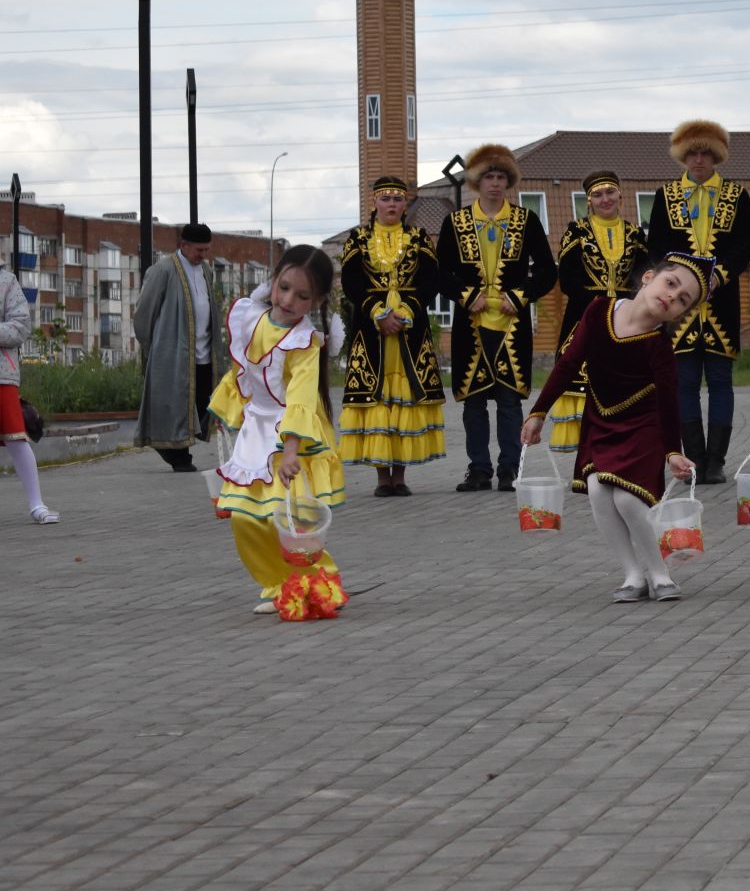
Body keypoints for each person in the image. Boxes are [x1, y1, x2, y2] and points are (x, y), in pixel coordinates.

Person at [523, 253, 713, 603]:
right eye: (670, 284)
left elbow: (670, 402)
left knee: (627, 497)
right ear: (648, 278)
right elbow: (569, 363)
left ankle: (660, 573)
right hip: (601, 418)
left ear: (678, 315)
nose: (672, 296)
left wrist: (673, 451)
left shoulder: (659, 347)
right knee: (597, 490)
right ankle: (632, 574)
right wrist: (538, 412)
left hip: (644, 425)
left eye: (682, 300)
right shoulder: (599, 311)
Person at [208, 246, 348, 620]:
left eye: (302, 296)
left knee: (290, 518)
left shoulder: (305, 344)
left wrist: (290, 452)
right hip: (255, 431)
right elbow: (242, 373)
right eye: (283, 287)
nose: (288, 300)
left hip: (292, 437)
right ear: (273, 281)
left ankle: (321, 581)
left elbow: (301, 398)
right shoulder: (250, 320)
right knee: (243, 516)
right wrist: (226, 414)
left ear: (316, 301)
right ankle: (277, 581)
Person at [438, 143, 558, 493]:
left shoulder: (525, 220)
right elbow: (439, 272)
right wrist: (465, 295)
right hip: (470, 326)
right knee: (473, 401)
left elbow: (548, 271)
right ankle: (478, 469)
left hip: (511, 325)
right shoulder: (457, 222)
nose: (494, 183)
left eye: (501, 177)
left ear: (509, 181)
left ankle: (510, 469)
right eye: (488, 176)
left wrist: (521, 295)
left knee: (508, 401)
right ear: (476, 181)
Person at [647, 120, 750, 486]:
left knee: (722, 382)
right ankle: (692, 459)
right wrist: (686, 280)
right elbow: (658, 245)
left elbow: (745, 244)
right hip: (679, 306)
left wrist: (719, 275)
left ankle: (717, 462)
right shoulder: (665, 197)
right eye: (692, 153)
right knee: (684, 383)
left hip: (722, 305)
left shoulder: (736, 195)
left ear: (716, 156)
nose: (698, 159)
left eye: (705, 153)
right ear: (682, 155)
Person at [338, 176, 446, 496]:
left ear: (405, 204)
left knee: (407, 397)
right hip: (371, 331)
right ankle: (382, 478)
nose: (391, 205)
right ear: (374, 202)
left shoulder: (419, 237)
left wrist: (408, 310)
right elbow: (351, 282)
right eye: (385, 199)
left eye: (398, 200)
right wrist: (378, 313)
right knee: (378, 398)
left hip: (409, 331)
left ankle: (400, 476)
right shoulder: (357, 239)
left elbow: (430, 281)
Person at [550, 170, 648, 462]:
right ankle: (587, 460)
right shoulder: (576, 231)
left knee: (624, 389)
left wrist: (627, 306)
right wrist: (598, 305)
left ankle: (617, 457)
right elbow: (567, 279)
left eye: (609, 192)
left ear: (620, 195)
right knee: (584, 390)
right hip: (585, 318)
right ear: (588, 201)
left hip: (626, 320)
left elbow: (644, 276)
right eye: (597, 194)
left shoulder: (634, 233)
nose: (605, 199)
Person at [133, 222, 225, 472]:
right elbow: (143, 315)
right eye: (199, 250)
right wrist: (160, 347)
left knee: (198, 403)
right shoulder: (162, 270)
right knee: (175, 405)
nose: (203, 255)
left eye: (207, 250)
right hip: (173, 354)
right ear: (183, 245)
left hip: (204, 353)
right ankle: (178, 456)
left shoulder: (206, 271)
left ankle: (178, 450)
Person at [1, 265, 57, 523]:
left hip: (2, 374)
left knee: (15, 438)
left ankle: (37, 504)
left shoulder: (6, 280)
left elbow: (21, 325)